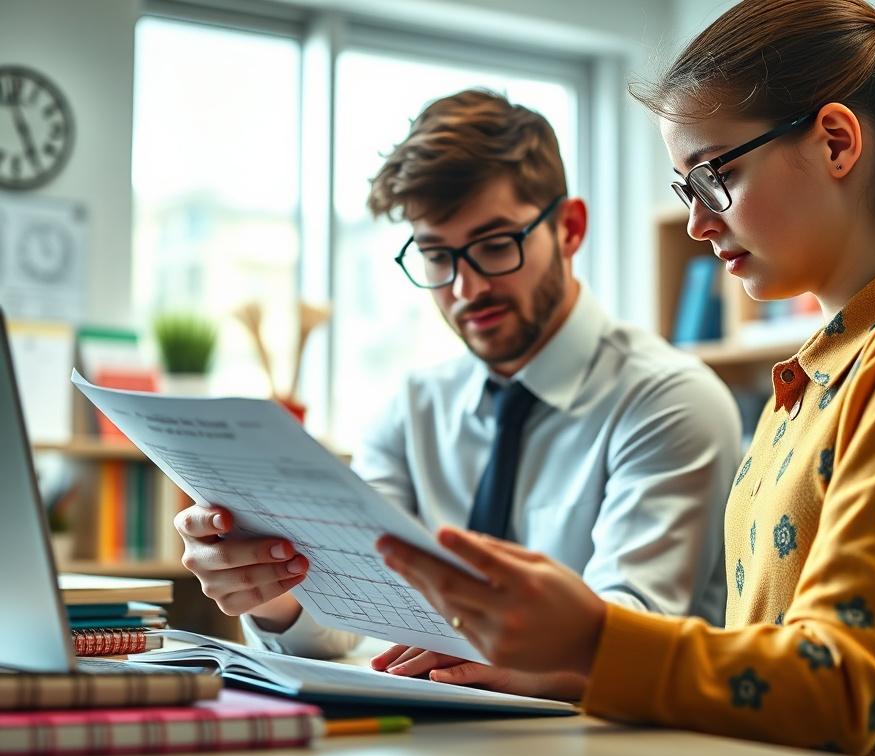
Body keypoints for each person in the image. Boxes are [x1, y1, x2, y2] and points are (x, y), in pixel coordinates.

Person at [375, 1, 875, 756]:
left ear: (837, 142)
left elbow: (843, 687)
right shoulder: (820, 370)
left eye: (714, 177)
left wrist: (589, 639)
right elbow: (759, 663)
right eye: (686, 191)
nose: (697, 224)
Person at [173, 90, 741, 698]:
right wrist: (277, 592)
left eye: (496, 245)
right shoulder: (414, 408)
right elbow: (348, 610)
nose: (467, 288)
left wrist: (516, 657)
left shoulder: (669, 401)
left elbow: (632, 628)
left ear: (570, 228)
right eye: (437, 256)